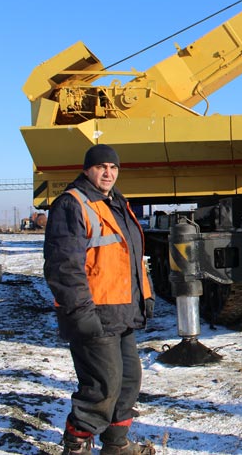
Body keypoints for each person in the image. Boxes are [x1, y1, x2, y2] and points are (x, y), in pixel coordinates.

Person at [44, 144, 156, 455]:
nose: (108, 173)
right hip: (94, 313)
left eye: (113, 167)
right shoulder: (73, 204)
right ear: (87, 169)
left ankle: (116, 444)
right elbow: (63, 265)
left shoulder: (115, 203)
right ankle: (76, 445)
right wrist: (80, 313)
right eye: (101, 167)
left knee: (129, 381)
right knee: (101, 387)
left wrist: (145, 296)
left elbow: (129, 258)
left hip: (122, 312)